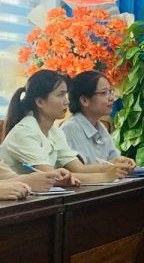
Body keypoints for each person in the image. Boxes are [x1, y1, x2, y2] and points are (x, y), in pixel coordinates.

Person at [0, 70, 129, 184]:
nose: (66, 101)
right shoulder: (24, 132)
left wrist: (114, 166)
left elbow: (79, 169)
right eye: (60, 95)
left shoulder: (54, 132)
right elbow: (52, 177)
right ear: (40, 102)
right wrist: (105, 176)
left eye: (66, 94)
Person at [61, 71, 136, 167]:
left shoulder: (100, 127)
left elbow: (113, 159)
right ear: (84, 100)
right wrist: (113, 166)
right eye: (104, 93)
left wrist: (123, 162)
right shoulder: (70, 129)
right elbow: (80, 171)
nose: (111, 98)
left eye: (111, 91)